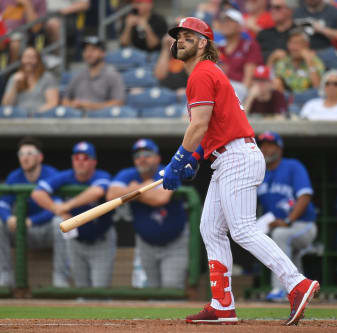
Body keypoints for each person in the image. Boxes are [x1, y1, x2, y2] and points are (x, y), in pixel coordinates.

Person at [163, 16, 319, 326]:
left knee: (243, 229)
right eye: (178, 36)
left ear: (203, 42)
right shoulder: (204, 74)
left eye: (187, 36)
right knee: (210, 228)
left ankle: (296, 283)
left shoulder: (203, 73)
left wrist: (178, 160)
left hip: (237, 156)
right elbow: (211, 127)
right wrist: (195, 156)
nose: (180, 40)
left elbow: (198, 125)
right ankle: (222, 304)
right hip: (227, 156)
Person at [106, 139, 189, 289]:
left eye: (147, 154)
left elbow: (160, 198)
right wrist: (142, 188)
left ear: (157, 157)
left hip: (174, 242)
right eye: (138, 155)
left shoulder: (168, 171)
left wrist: (134, 191)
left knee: (172, 287)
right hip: (146, 244)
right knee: (152, 290)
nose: (141, 158)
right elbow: (111, 196)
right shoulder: (128, 174)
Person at [31, 141, 115, 288]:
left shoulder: (101, 175)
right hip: (76, 241)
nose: (80, 162)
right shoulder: (65, 176)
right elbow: (37, 193)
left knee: (100, 291)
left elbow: (97, 191)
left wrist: (67, 205)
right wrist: (56, 209)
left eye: (85, 158)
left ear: (94, 162)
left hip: (101, 240)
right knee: (81, 291)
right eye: (77, 158)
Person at [0, 136, 69, 287]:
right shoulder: (14, 176)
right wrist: (8, 218)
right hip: (22, 232)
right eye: (21, 154)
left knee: (60, 223)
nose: (25, 158)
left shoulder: (52, 174)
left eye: (29, 154)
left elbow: (58, 208)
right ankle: (5, 276)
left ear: (40, 157)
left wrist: (32, 221)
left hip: (46, 230)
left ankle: (60, 278)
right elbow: (3, 204)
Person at [256, 131, 317, 302]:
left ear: (280, 148)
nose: (265, 149)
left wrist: (288, 220)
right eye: (263, 145)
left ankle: (279, 289)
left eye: (270, 145)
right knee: (287, 252)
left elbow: (305, 196)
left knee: (281, 236)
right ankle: (300, 291)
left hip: (303, 224)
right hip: (278, 224)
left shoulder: (292, 166)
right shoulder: (259, 173)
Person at [62, 36, 125, 112]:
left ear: (103, 53)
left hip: (102, 120)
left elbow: (118, 103)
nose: (88, 53)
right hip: (77, 120)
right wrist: (71, 106)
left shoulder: (113, 75)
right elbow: (65, 100)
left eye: (93, 50)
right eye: (86, 50)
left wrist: (87, 105)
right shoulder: (78, 75)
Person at [218, 8, 264, 101]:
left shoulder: (249, 46)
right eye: (224, 21)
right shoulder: (218, 48)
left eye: (230, 21)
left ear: (240, 26)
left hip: (239, 90)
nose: (225, 24)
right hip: (219, 89)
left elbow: (248, 80)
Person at [1, 47, 59, 114]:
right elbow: (6, 104)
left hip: (41, 117)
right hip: (18, 118)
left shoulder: (47, 77)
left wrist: (33, 115)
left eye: (32, 58)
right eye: (26, 57)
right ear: (21, 59)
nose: (28, 61)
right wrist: (15, 85)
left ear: (38, 60)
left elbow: (52, 103)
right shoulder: (15, 77)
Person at [269, 27, 324, 93]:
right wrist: (271, 59)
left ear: (306, 45)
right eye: (291, 43)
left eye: (297, 43)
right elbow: (269, 84)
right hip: (287, 98)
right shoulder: (284, 61)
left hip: (309, 98)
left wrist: (309, 62)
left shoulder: (315, 61)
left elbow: (318, 88)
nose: (293, 47)